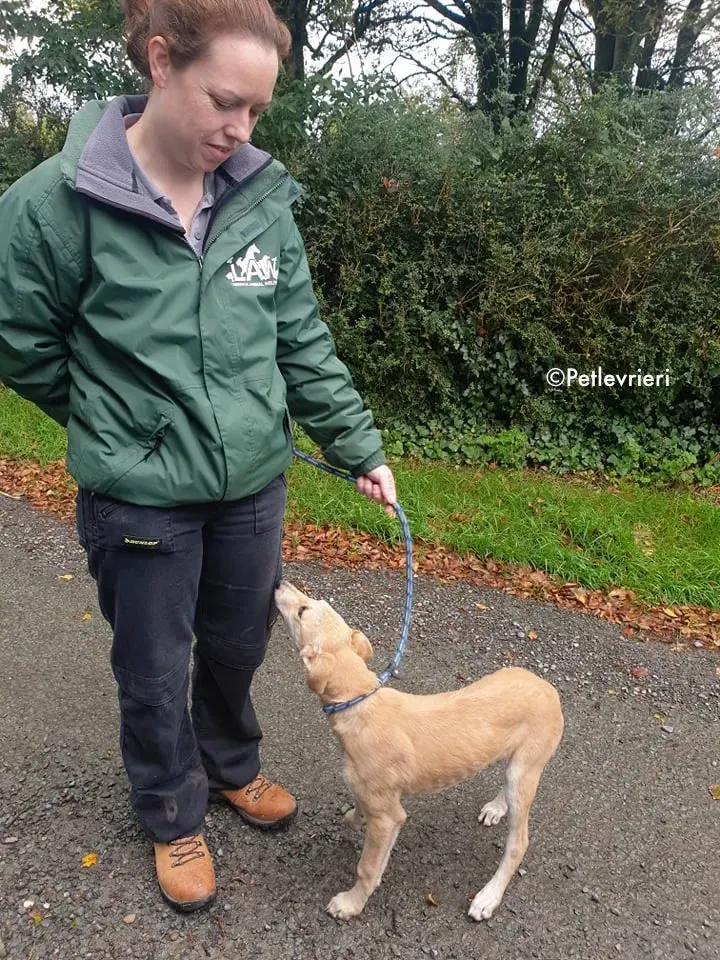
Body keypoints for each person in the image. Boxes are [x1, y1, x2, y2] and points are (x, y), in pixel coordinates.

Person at [0, 0, 396, 913]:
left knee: (234, 642)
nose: (239, 127)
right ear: (160, 60)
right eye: (226, 101)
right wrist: (110, 415)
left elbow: (301, 337)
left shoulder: (258, 198)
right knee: (151, 664)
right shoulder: (57, 204)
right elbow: (20, 340)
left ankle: (230, 766)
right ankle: (173, 812)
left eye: (256, 111)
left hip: (252, 485)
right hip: (139, 496)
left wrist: (357, 443)